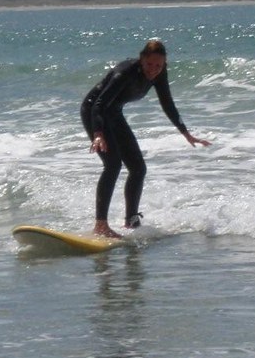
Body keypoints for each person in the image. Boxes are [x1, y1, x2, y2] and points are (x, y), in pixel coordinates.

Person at [80, 39, 210, 237]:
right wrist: (98, 134)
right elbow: (98, 104)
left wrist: (185, 132)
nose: (153, 69)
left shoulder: (159, 72)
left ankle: (131, 221)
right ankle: (101, 225)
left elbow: (167, 103)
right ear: (141, 60)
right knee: (113, 164)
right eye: (149, 64)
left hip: (113, 113)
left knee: (138, 168)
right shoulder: (124, 73)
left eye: (158, 65)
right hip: (94, 112)